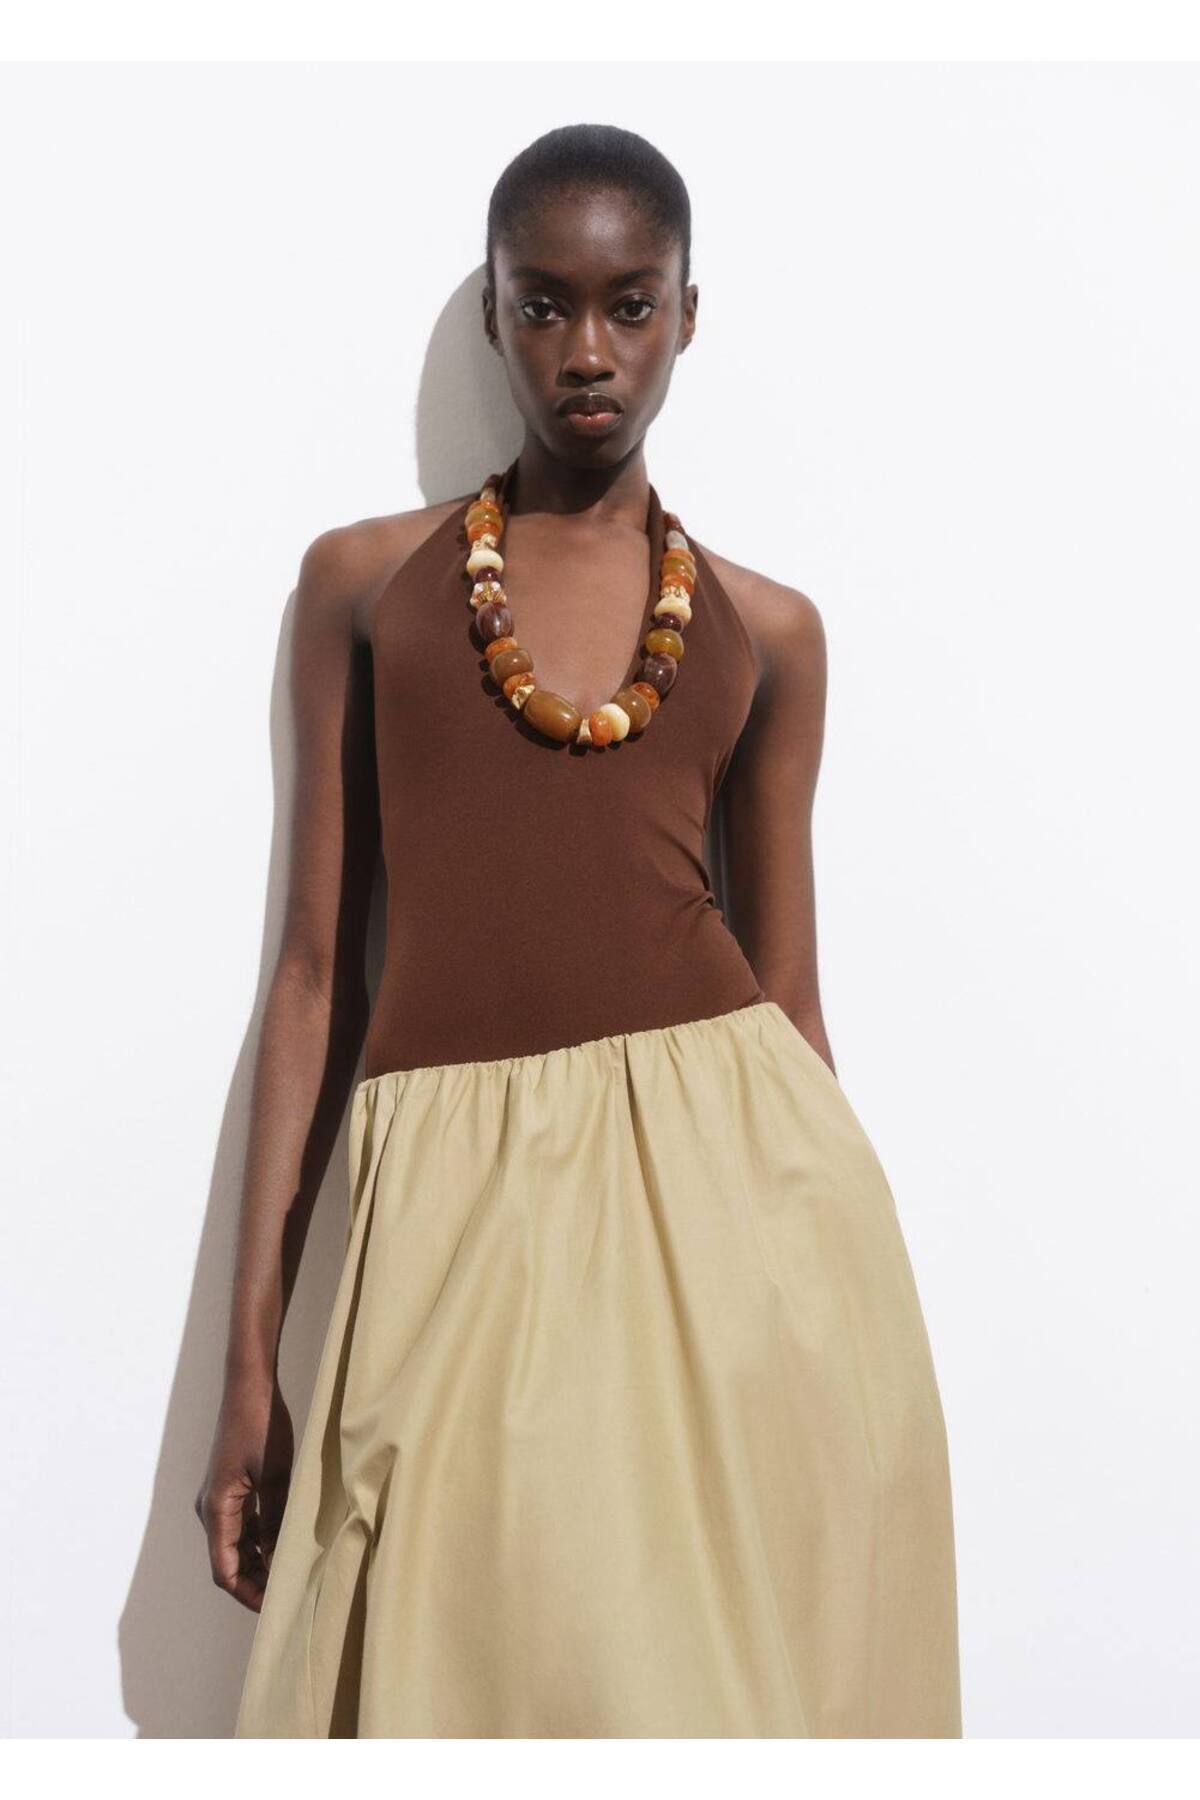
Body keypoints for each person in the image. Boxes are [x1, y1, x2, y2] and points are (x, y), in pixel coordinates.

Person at [197, 122, 962, 1739]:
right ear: (495, 315)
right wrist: (249, 1361)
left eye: (631, 303)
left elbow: (793, 1007)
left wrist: (843, 1350)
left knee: (698, 1687)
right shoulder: (365, 585)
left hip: (727, 1211)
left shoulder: (769, 630)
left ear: (689, 314)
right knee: (460, 1662)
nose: (589, 351)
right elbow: (316, 974)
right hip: (452, 1197)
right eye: (543, 305)